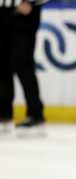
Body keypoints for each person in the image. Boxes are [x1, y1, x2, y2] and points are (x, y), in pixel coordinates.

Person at [0, 0, 46, 135]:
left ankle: (36, 116)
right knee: (2, 65)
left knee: (22, 64)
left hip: (25, 12)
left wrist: (31, 2)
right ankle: (4, 116)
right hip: (3, 11)